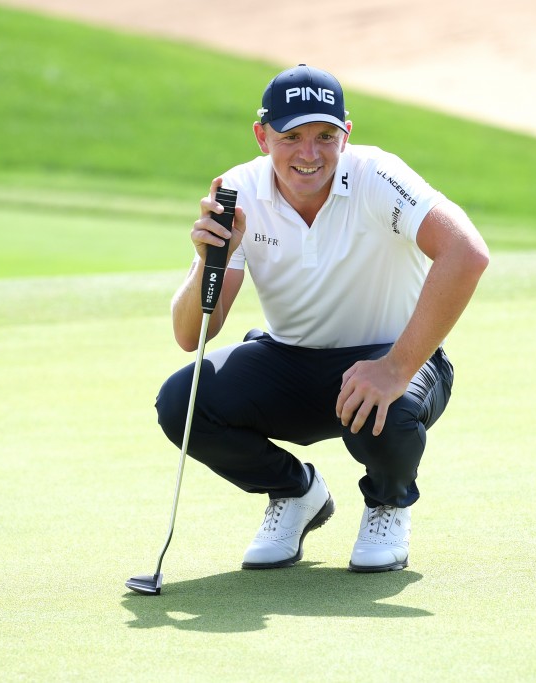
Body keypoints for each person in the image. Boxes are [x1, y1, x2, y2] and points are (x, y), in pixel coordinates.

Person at [156, 64, 489, 573]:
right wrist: (208, 258)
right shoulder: (239, 190)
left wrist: (397, 367)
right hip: (290, 359)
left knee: (387, 409)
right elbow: (189, 334)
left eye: (325, 136)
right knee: (183, 401)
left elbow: (466, 253)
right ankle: (295, 493)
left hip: (392, 360)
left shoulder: (378, 176)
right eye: (291, 137)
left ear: (346, 135)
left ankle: (387, 504)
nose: (309, 154)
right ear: (262, 136)